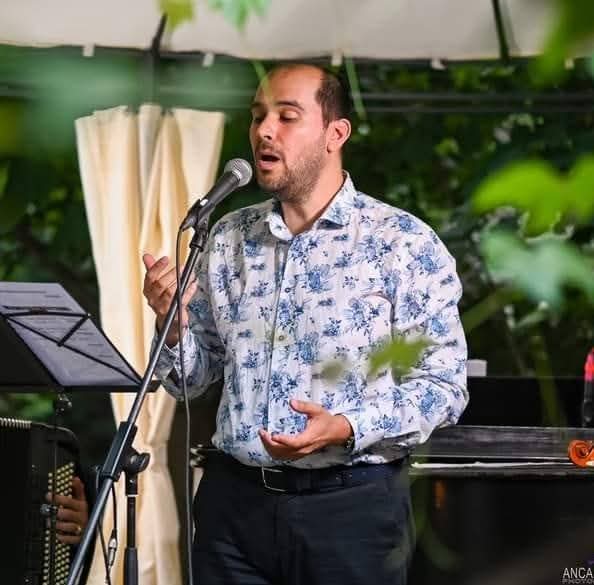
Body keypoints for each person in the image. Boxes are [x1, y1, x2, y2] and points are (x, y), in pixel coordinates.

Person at [143, 63, 468, 585]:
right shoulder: (227, 237)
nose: (264, 131)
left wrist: (346, 427)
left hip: (351, 510)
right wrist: (173, 326)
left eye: (287, 116)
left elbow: (442, 388)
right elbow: (189, 381)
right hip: (233, 511)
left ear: (335, 134)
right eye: (257, 116)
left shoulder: (403, 243)